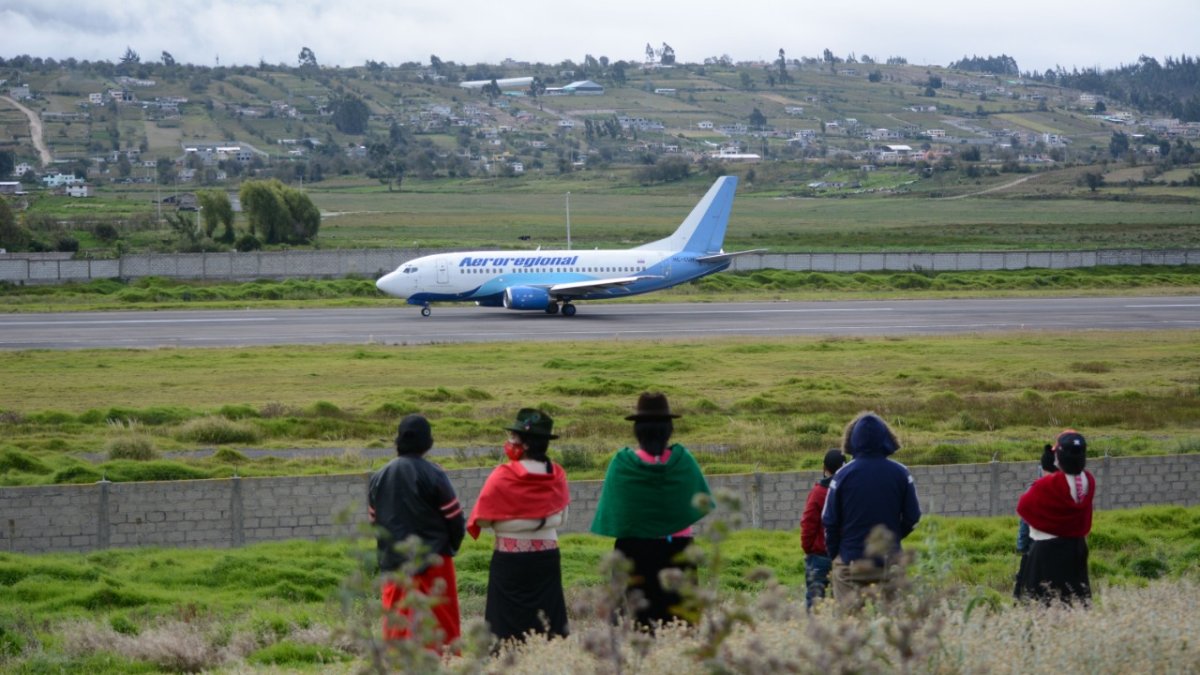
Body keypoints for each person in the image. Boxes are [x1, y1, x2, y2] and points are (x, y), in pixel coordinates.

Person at [590, 392, 712, 628]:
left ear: (638, 430)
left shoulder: (622, 464)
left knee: (636, 623)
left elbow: (616, 508)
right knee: (681, 623)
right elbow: (698, 502)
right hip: (678, 550)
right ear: (669, 429)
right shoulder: (683, 461)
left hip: (634, 552)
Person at [467, 408, 571, 643]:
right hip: (547, 557)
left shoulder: (503, 475)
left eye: (514, 437)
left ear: (525, 443)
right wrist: (541, 521)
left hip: (511, 559)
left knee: (505, 625)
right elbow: (562, 518)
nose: (510, 441)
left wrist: (509, 522)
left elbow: (482, 519)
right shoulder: (557, 475)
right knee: (548, 622)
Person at [368, 414, 466, 648]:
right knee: (439, 626)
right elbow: (455, 519)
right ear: (427, 443)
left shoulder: (379, 477)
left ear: (398, 441)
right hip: (434, 562)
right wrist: (449, 547)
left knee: (397, 626)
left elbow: (374, 522)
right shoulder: (434, 474)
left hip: (394, 564)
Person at [821, 412, 921, 605]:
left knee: (848, 620)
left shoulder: (842, 475)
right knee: (892, 620)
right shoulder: (901, 473)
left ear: (853, 441)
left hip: (850, 561)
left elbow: (829, 520)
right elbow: (913, 517)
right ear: (886, 439)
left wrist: (836, 554)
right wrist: (891, 539)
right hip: (889, 562)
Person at [1016, 429, 1095, 605]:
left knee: (1042, 603)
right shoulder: (1088, 480)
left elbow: (1023, 506)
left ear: (1059, 458)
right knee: (1075, 600)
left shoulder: (1048, 484)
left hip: (1047, 550)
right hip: (1076, 547)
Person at [800, 448, 845, 610]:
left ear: (825, 468)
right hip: (844, 556)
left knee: (815, 606)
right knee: (842, 605)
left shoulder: (818, 492)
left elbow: (808, 523)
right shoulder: (848, 492)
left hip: (819, 555)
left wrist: (808, 549)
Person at [1013, 444, 1059, 599]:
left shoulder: (1035, 489)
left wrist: (1022, 546)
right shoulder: (1068, 490)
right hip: (1063, 550)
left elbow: (1024, 523)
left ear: (1043, 468)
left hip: (1035, 549)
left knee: (1024, 594)